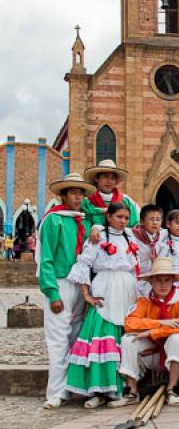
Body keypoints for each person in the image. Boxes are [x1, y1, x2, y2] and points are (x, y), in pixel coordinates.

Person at [66, 202, 139, 407]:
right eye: (119, 217)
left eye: (126, 218)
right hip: (105, 289)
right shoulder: (98, 236)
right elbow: (84, 264)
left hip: (127, 290)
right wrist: (86, 294)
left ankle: (122, 387)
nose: (123, 221)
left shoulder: (130, 237)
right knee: (100, 336)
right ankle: (97, 390)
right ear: (109, 217)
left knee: (124, 336)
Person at [37, 172, 94, 409]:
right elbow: (46, 258)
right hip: (60, 281)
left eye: (81, 192)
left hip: (80, 282)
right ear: (63, 195)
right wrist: (52, 292)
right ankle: (56, 391)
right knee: (58, 337)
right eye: (73, 192)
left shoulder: (85, 221)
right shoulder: (54, 220)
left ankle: (72, 386)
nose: (78, 197)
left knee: (77, 335)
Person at [119, 257, 179, 406]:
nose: (163, 285)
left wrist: (151, 333)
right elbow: (129, 323)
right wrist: (160, 323)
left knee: (178, 338)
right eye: (158, 280)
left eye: (167, 280)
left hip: (175, 354)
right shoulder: (144, 300)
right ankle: (132, 391)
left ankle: (172, 389)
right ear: (151, 282)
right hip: (151, 354)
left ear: (173, 281)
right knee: (128, 339)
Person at [82, 159, 139, 228]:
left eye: (112, 178)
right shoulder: (86, 203)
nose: (109, 181)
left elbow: (135, 225)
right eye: (106, 177)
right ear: (96, 178)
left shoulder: (126, 201)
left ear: (116, 181)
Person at [132, 204, 167, 297]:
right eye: (151, 219)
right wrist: (96, 228)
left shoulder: (163, 235)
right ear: (142, 221)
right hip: (138, 280)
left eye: (158, 219)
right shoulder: (133, 235)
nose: (155, 223)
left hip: (156, 281)